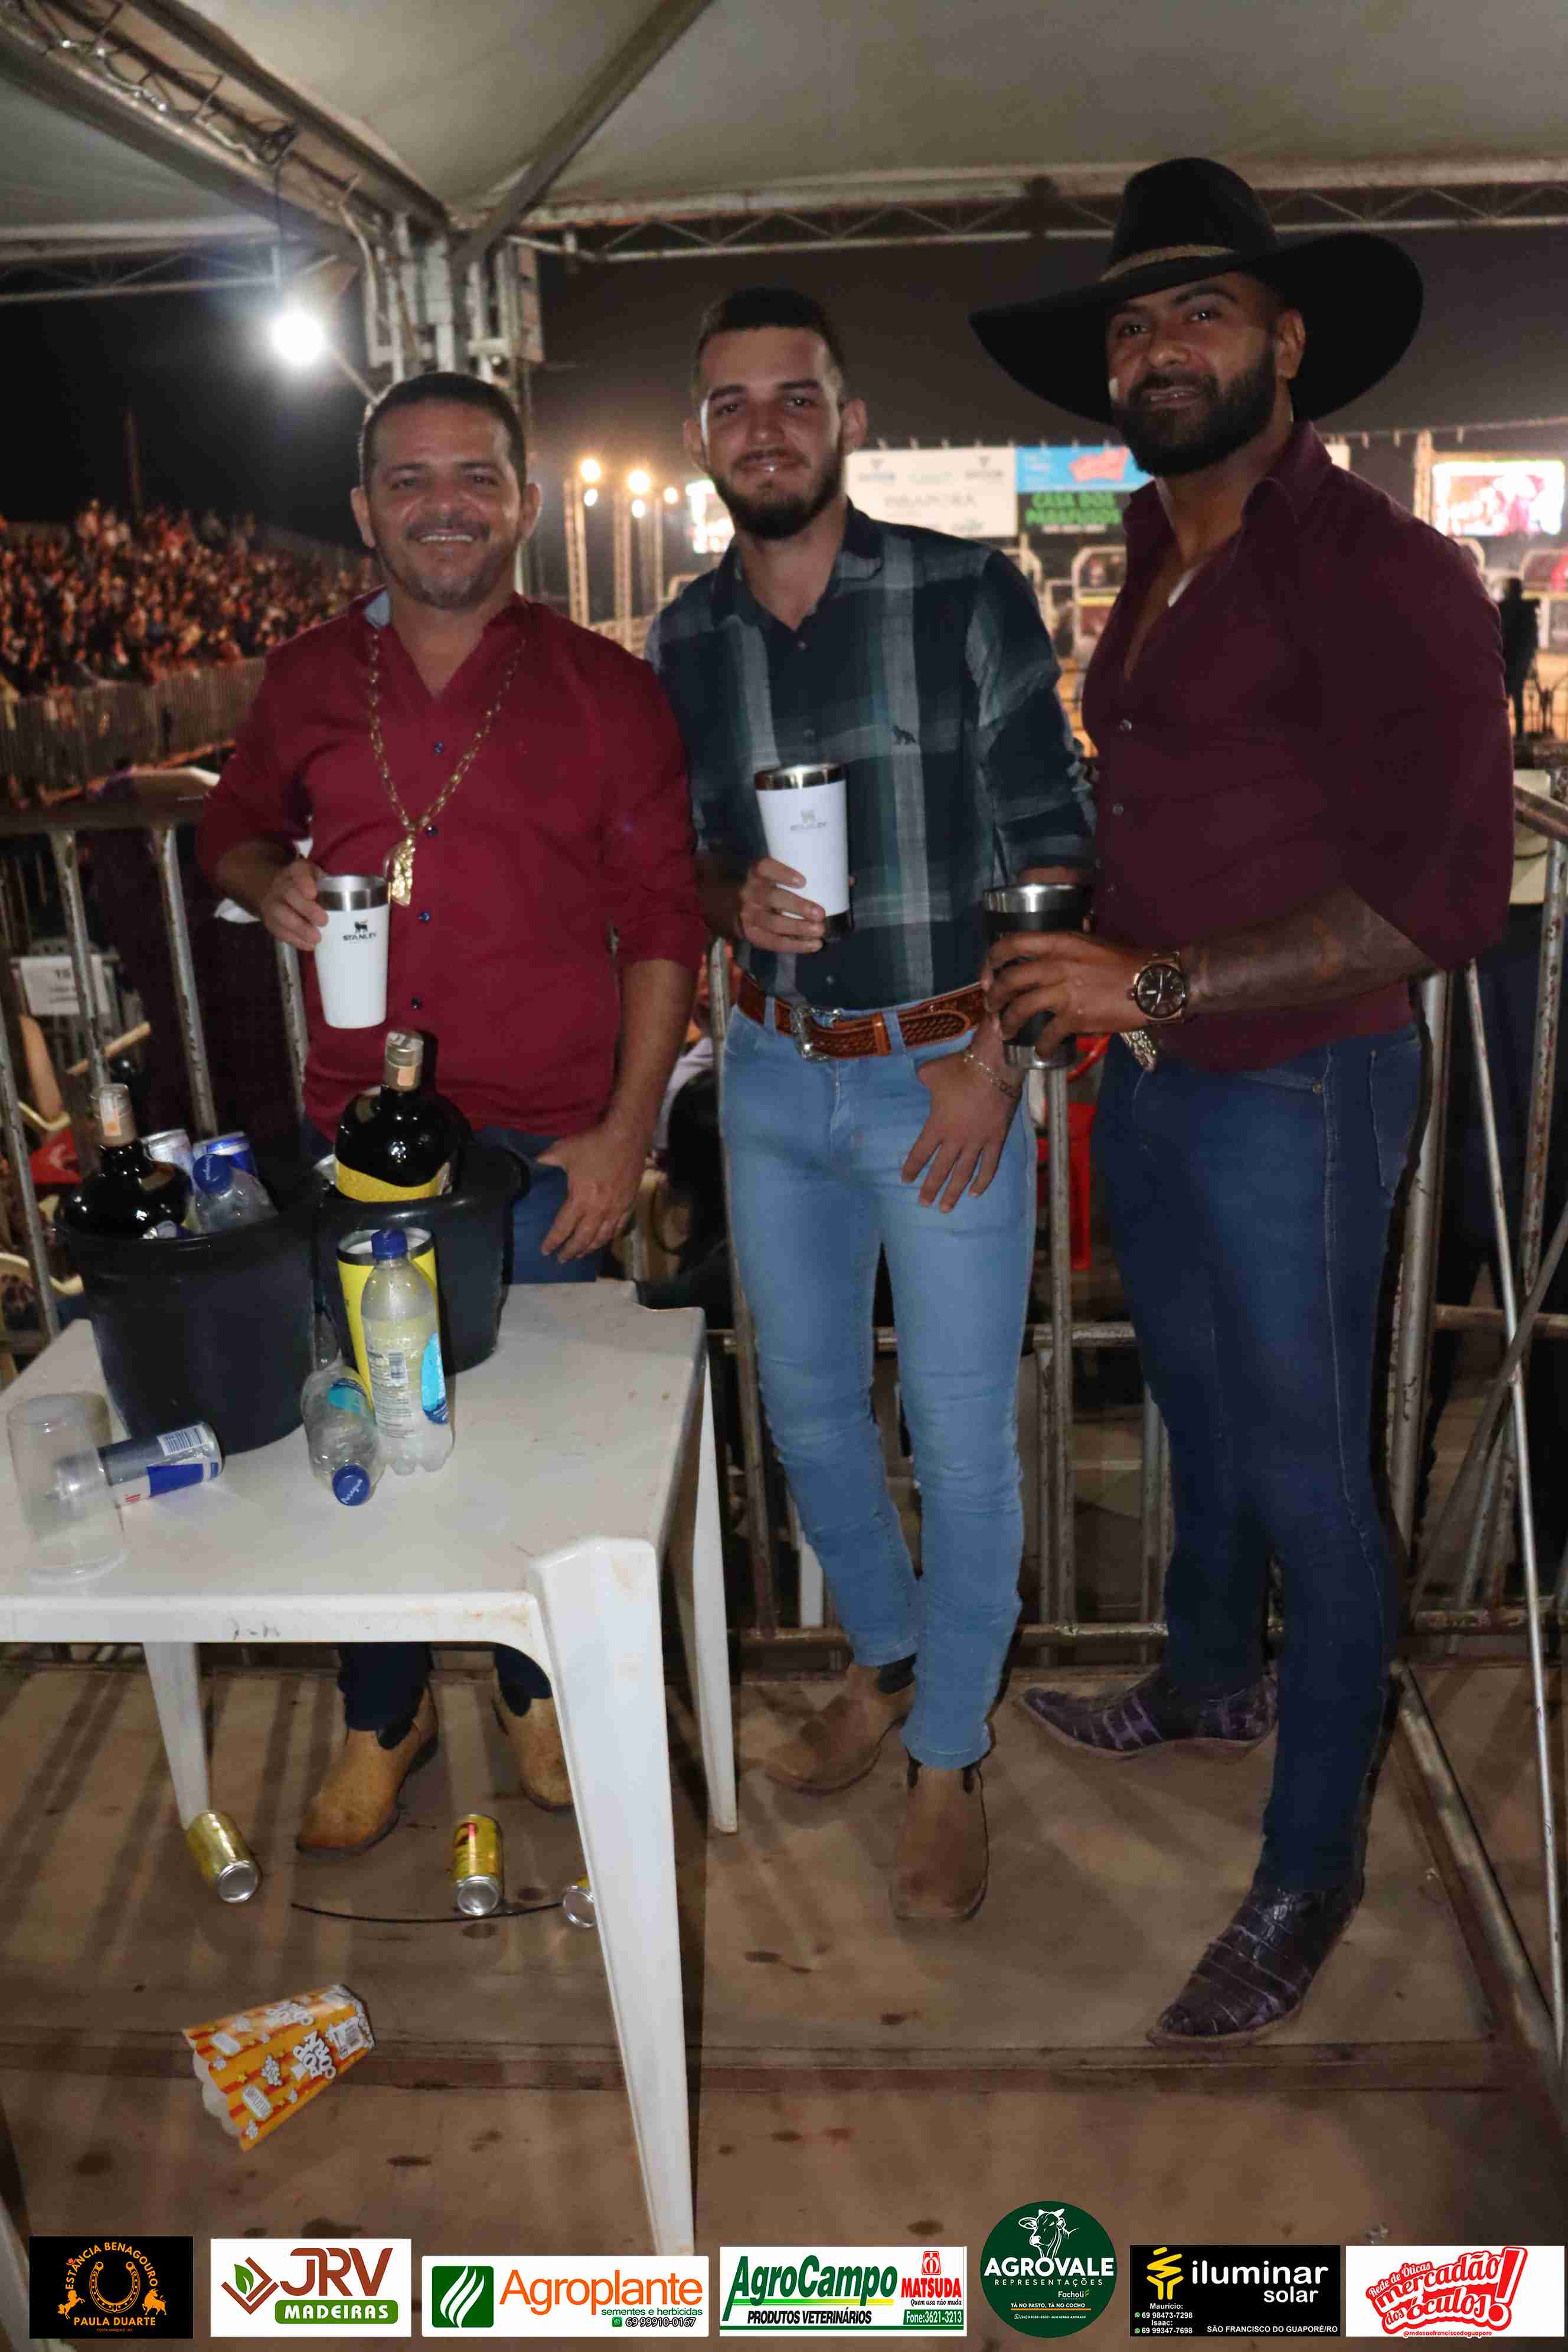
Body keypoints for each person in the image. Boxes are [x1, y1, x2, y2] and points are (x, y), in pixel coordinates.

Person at [971, 158, 1513, 2039]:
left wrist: (1145, 983)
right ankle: (1210, 1677)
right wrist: (1086, 954)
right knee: (1197, 1406)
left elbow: (1439, 902)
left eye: (1199, 311)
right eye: (1132, 322)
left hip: (1304, 1081)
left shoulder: (1387, 570)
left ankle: (1309, 1868)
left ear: (1288, 341)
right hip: (1165, 1067)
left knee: (1308, 1471)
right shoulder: (1154, 548)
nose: (1157, 347)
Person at [198, 371, 704, 1855]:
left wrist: (627, 1132)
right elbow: (231, 826)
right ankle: (384, 1708)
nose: (443, 506)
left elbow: (663, 921)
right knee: (369, 1427)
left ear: (524, 504)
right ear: (364, 509)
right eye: (409, 479)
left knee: (541, 1442)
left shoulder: (606, 689)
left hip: (548, 1147)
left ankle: (539, 1691)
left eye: (475, 476)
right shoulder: (307, 677)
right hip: (359, 1147)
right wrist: (266, 884)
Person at [646, 287, 1092, 1921]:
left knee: (963, 1438)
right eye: (732, 404)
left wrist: (994, 1059)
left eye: (795, 397)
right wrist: (728, 894)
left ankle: (949, 1756)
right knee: (810, 1413)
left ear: (847, 421)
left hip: (941, 1069)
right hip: (772, 1072)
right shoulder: (685, 636)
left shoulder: (964, 590)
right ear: (700, 438)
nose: (763, 427)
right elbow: (687, 846)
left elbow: (1051, 843)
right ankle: (896, 1661)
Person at [1498, 577, 1538, 740]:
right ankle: (1520, 733)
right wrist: (1529, 660)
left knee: (1503, 698)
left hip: (1504, 662)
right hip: (1519, 662)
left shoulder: (1501, 608)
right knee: (1517, 694)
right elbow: (1532, 640)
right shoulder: (1527, 610)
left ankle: (1501, 734)